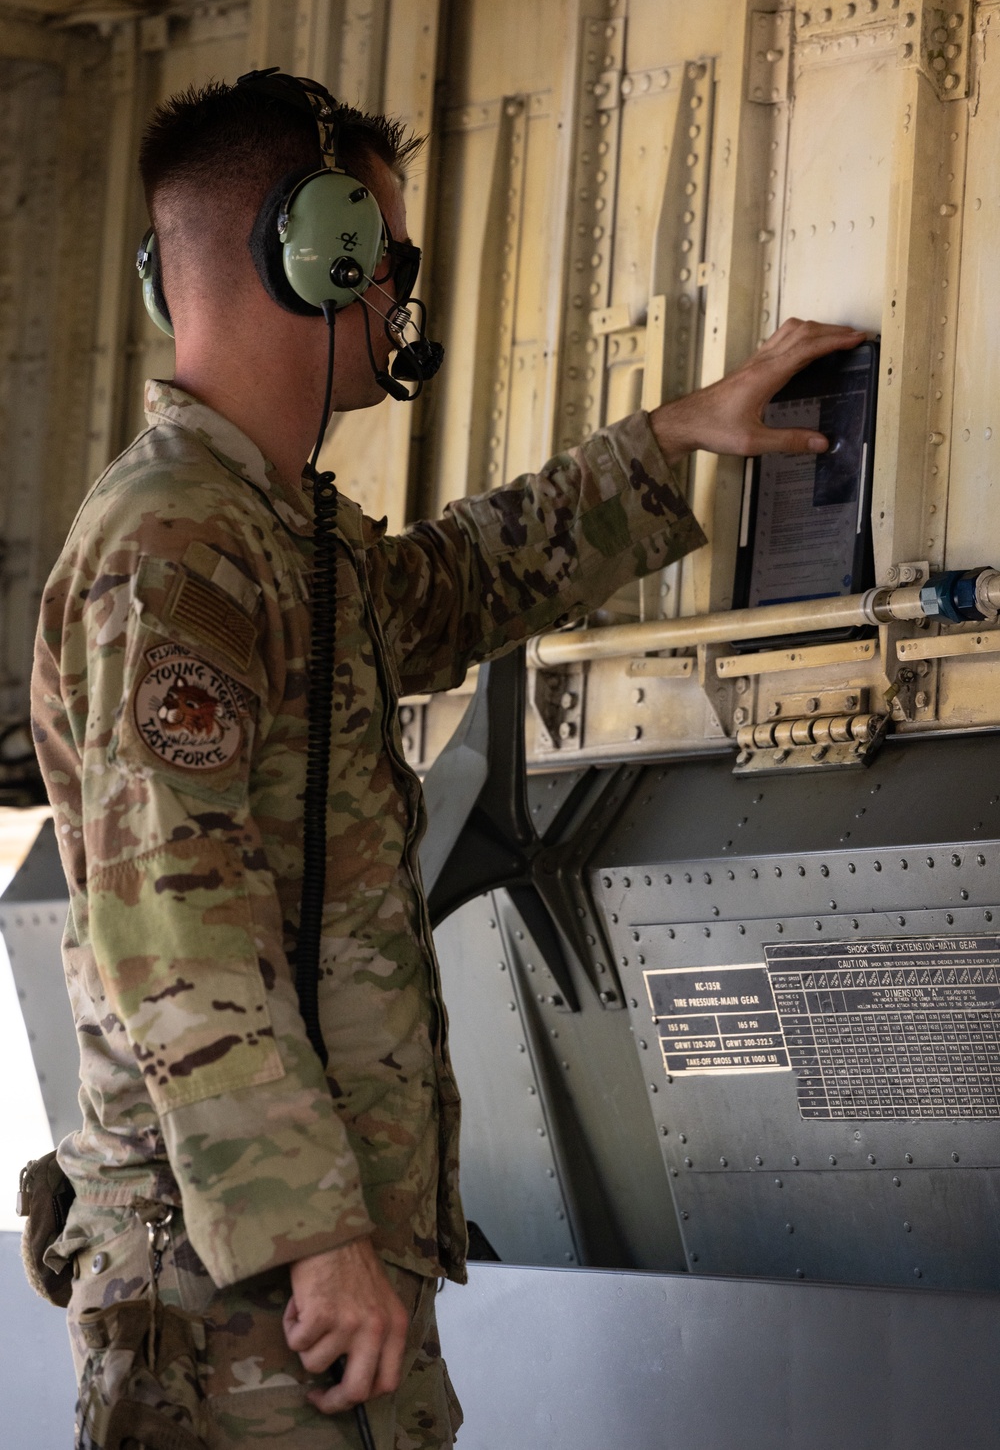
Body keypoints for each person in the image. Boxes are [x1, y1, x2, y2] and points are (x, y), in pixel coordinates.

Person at [30, 71, 864, 1449]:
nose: (393, 296)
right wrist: (314, 1237)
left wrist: (666, 443)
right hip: (236, 1290)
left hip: (294, 1276)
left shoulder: (276, 533)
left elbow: (442, 591)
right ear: (320, 253)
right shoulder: (174, 545)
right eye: (387, 259)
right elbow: (168, 924)